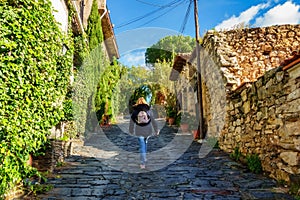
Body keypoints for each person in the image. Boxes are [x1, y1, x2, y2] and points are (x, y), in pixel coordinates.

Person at [129, 97, 159, 169]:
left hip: (139, 130)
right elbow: (153, 121)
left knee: (142, 145)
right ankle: (144, 158)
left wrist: (131, 130)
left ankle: (142, 163)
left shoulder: (135, 111)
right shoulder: (148, 110)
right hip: (148, 130)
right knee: (145, 143)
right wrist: (156, 129)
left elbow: (131, 122)